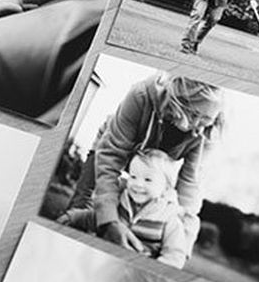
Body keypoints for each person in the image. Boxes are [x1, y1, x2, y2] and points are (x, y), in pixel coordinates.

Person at [93, 73, 224, 258]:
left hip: (151, 171)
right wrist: (108, 221)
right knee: (92, 211)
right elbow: (110, 156)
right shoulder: (141, 95)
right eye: (194, 114)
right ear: (180, 101)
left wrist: (180, 248)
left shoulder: (206, 132)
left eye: (206, 119)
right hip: (107, 152)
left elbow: (190, 185)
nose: (198, 126)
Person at [59, 149, 187, 269]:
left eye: (148, 180)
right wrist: (73, 216)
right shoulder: (121, 201)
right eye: (133, 177)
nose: (138, 184)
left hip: (134, 273)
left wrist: (150, 271)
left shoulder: (169, 219)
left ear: (166, 189)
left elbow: (174, 256)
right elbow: (97, 218)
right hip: (102, 263)